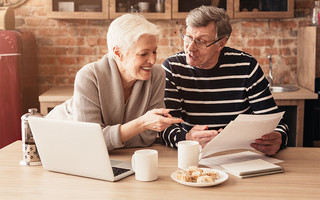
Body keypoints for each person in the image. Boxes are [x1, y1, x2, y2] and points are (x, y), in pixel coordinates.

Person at [159, 6, 288, 156]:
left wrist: (279, 138)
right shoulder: (172, 68)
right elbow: (165, 128)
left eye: (201, 41)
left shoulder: (246, 66)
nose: (190, 48)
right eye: (188, 37)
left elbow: (275, 122)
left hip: (240, 155)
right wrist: (187, 138)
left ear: (221, 43)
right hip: (193, 156)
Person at [46, 14, 183, 150]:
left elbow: (146, 138)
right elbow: (89, 141)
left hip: (112, 156)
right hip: (57, 143)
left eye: (154, 51)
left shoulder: (157, 75)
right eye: (143, 54)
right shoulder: (89, 76)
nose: (152, 60)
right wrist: (141, 124)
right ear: (118, 53)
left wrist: (106, 137)